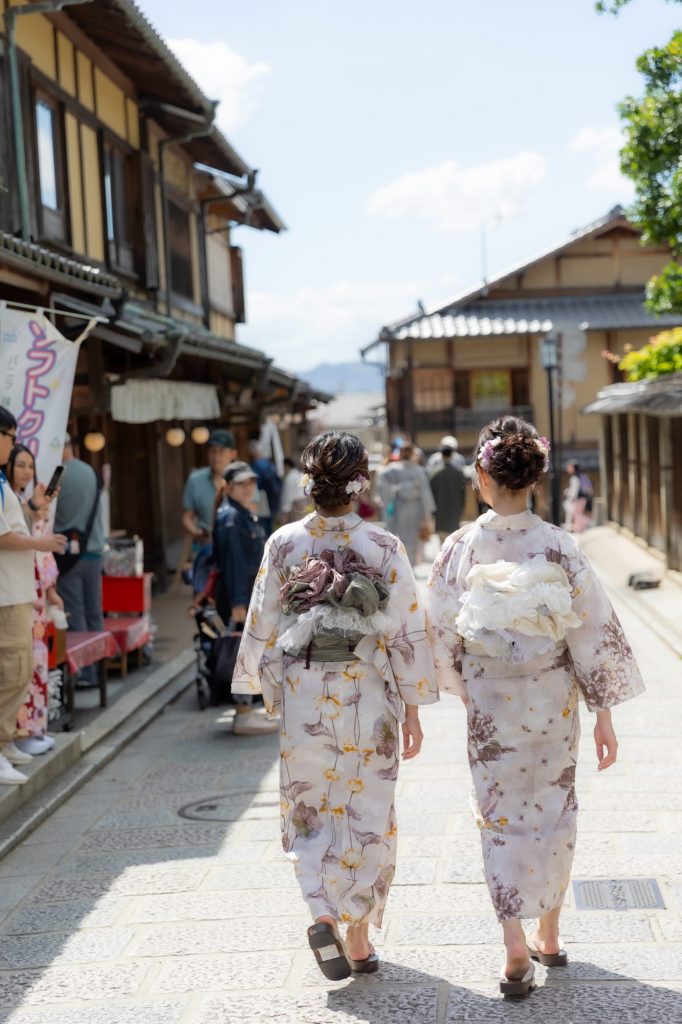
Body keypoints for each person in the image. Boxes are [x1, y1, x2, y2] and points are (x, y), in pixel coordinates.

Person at [425, 416, 645, 997]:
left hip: (491, 702)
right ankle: (549, 934)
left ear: (481, 475)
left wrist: (463, 687)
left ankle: (514, 946)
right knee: (554, 809)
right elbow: (593, 632)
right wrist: (602, 711)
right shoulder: (557, 544)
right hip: (551, 701)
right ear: (536, 478)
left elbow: (441, 632)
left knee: (499, 816)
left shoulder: (460, 547)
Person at [232, 431, 438, 980]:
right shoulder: (384, 547)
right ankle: (359, 938)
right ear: (360, 483)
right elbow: (408, 635)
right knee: (368, 812)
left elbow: (263, 627)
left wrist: (269, 690)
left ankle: (321, 910)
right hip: (368, 696)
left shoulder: (283, 545)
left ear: (309, 482)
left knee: (309, 806)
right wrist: (413, 708)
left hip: (305, 697)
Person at [0, 407, 66, 784]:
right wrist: (40, 540)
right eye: (10, 438)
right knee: (12, 670)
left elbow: (14, 523)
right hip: (7, 592)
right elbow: (4, 536)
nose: (11, 449)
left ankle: (6, 741)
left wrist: (35, 511)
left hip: (18, 589)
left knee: (22, 669)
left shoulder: (3, 485)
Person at [212, 461, 278, 737]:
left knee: (250, 650)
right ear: (227, 486)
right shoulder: (230, 518)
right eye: (240, 483)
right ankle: (242, 713)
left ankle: (249, 709)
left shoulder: (242, 513)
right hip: (239, 598)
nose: (247, 488)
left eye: (250, 482)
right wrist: (239, 603)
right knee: (242, 652)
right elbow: (235, 564)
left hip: (250, 594)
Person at [6, 445, 62, 754]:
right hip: (18, 589)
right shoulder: (10, 500)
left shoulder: (20, 502)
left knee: (36, 663)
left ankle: (34, 727)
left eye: (30, 465)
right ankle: (20, 731)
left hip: (34, 591)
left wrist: (51, 589)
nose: (27, 471)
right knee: (19, 665)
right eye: (21, 465)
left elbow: (40, 550)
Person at [53, 435, 104, 684]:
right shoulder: (91, 472)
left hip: (67, 553)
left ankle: (83, 672)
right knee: (94, 611)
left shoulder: (56, 475)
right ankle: (97, 669)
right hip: (94, 549)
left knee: (75, 611)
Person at [182, 428, 237, 592]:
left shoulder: (244, 479)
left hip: (235, 548)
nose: (216, 456)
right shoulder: (195, 480)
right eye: (212, 451)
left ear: (233, 453)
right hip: (206, 549)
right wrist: (196, 532)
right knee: (204, 603)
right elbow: (186, 516)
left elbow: (254, 511)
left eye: (221, 451)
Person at [377, 443, 435, 564]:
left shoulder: (391, 469)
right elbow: (425, 493)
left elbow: (382, 484)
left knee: (399, 537)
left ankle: (400, 563)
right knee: (413, 538)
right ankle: (411, 564)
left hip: (399, 507)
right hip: (415, 508)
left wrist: (395, 491)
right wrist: (428, 514)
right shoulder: (419, 470)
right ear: (413, 454)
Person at [428, 442, 466, 543]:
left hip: (440, 511)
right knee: (454, 540)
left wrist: (433, 511)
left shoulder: (435, 473)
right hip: (455, 509)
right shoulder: (459, 473)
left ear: (441, 454)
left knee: (442, 541)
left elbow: (431, 494)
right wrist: (462, 507)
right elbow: (463, 494)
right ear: (452, 454)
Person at [248, 439, 282, 535]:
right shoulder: (270, 464)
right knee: (270, 528)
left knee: (262, 529)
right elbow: (278, 482)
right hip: (273, 501)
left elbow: (255, 486)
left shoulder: (255, 466)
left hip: (261, 500)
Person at [563, 461, 591, 534]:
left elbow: (574, 490)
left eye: (570, 467)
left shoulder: (574, 478)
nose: (568, 469)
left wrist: (571, 499)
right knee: (578, 514)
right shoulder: (580, 476)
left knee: (577, 514)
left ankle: (589, 523)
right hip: (582, 498)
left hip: (577, 499)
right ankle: (579, 529)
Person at [279, 456, 308, 525]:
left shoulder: (289, 478)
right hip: (303, 503)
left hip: (295, 506)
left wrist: (284, 513)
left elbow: (288, 496)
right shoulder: (299, 474)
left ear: (286, 466)